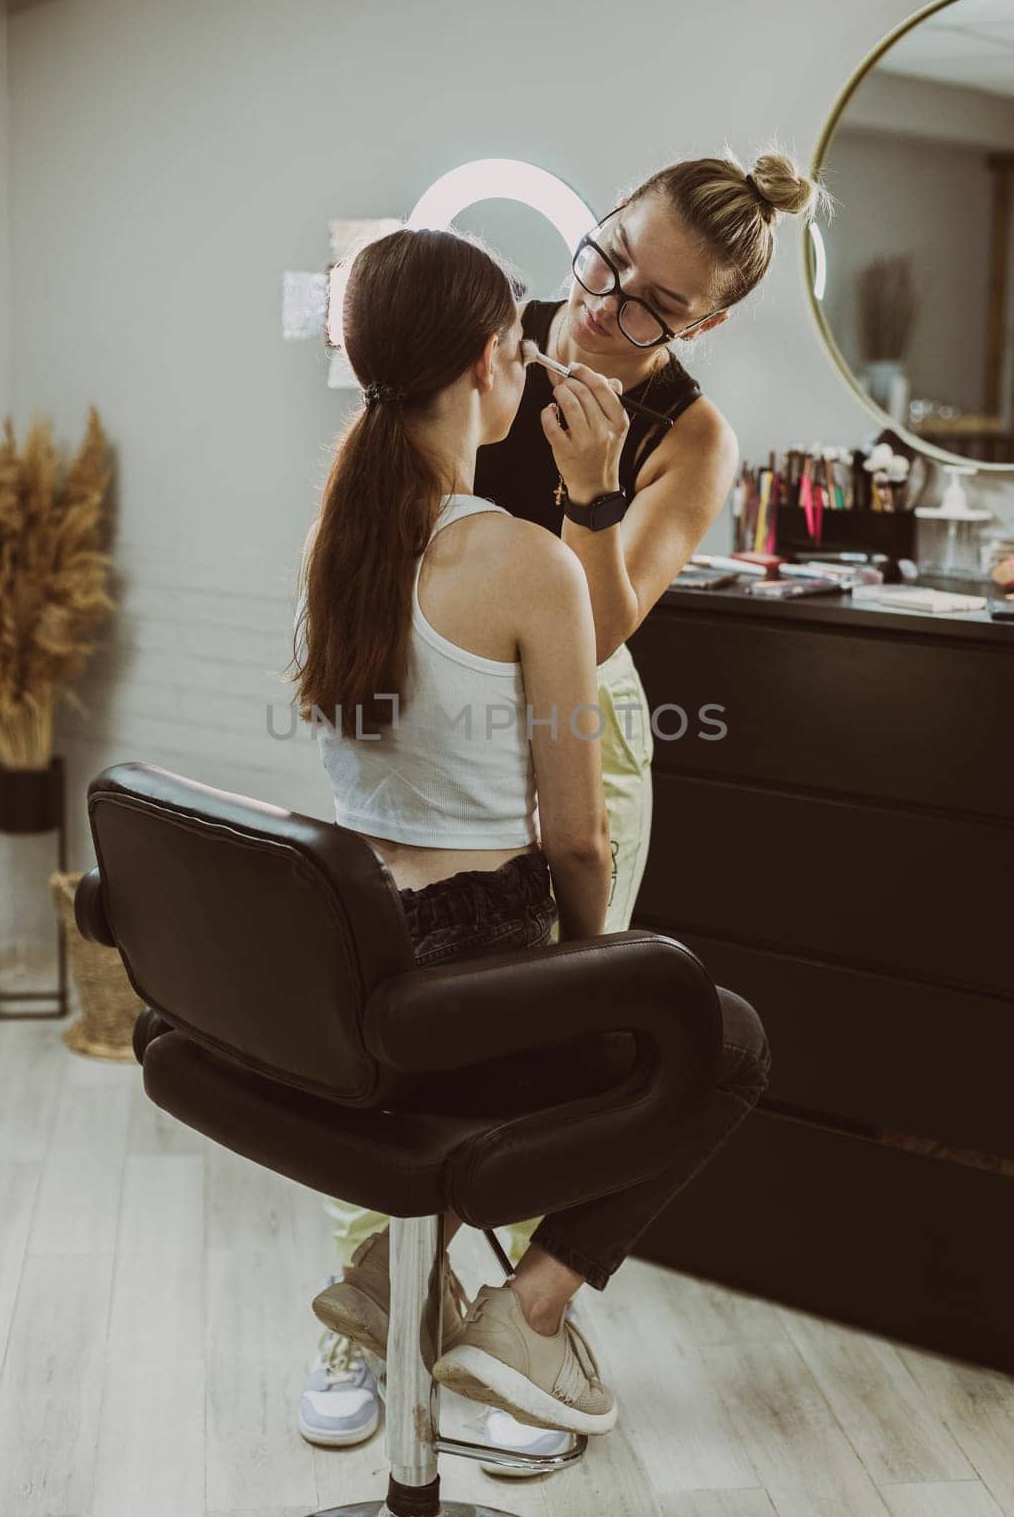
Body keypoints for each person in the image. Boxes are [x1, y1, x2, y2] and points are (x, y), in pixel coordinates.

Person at [287, 223, 770, 1462]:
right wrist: (594, 974)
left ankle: (400, 1290)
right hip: (463, 994)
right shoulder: (525, 565)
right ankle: (524, 1315)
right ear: (497, 360)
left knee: (619, 1027)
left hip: (347, 981)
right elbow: (579, 843)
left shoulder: (337, 538)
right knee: (714, 1039)